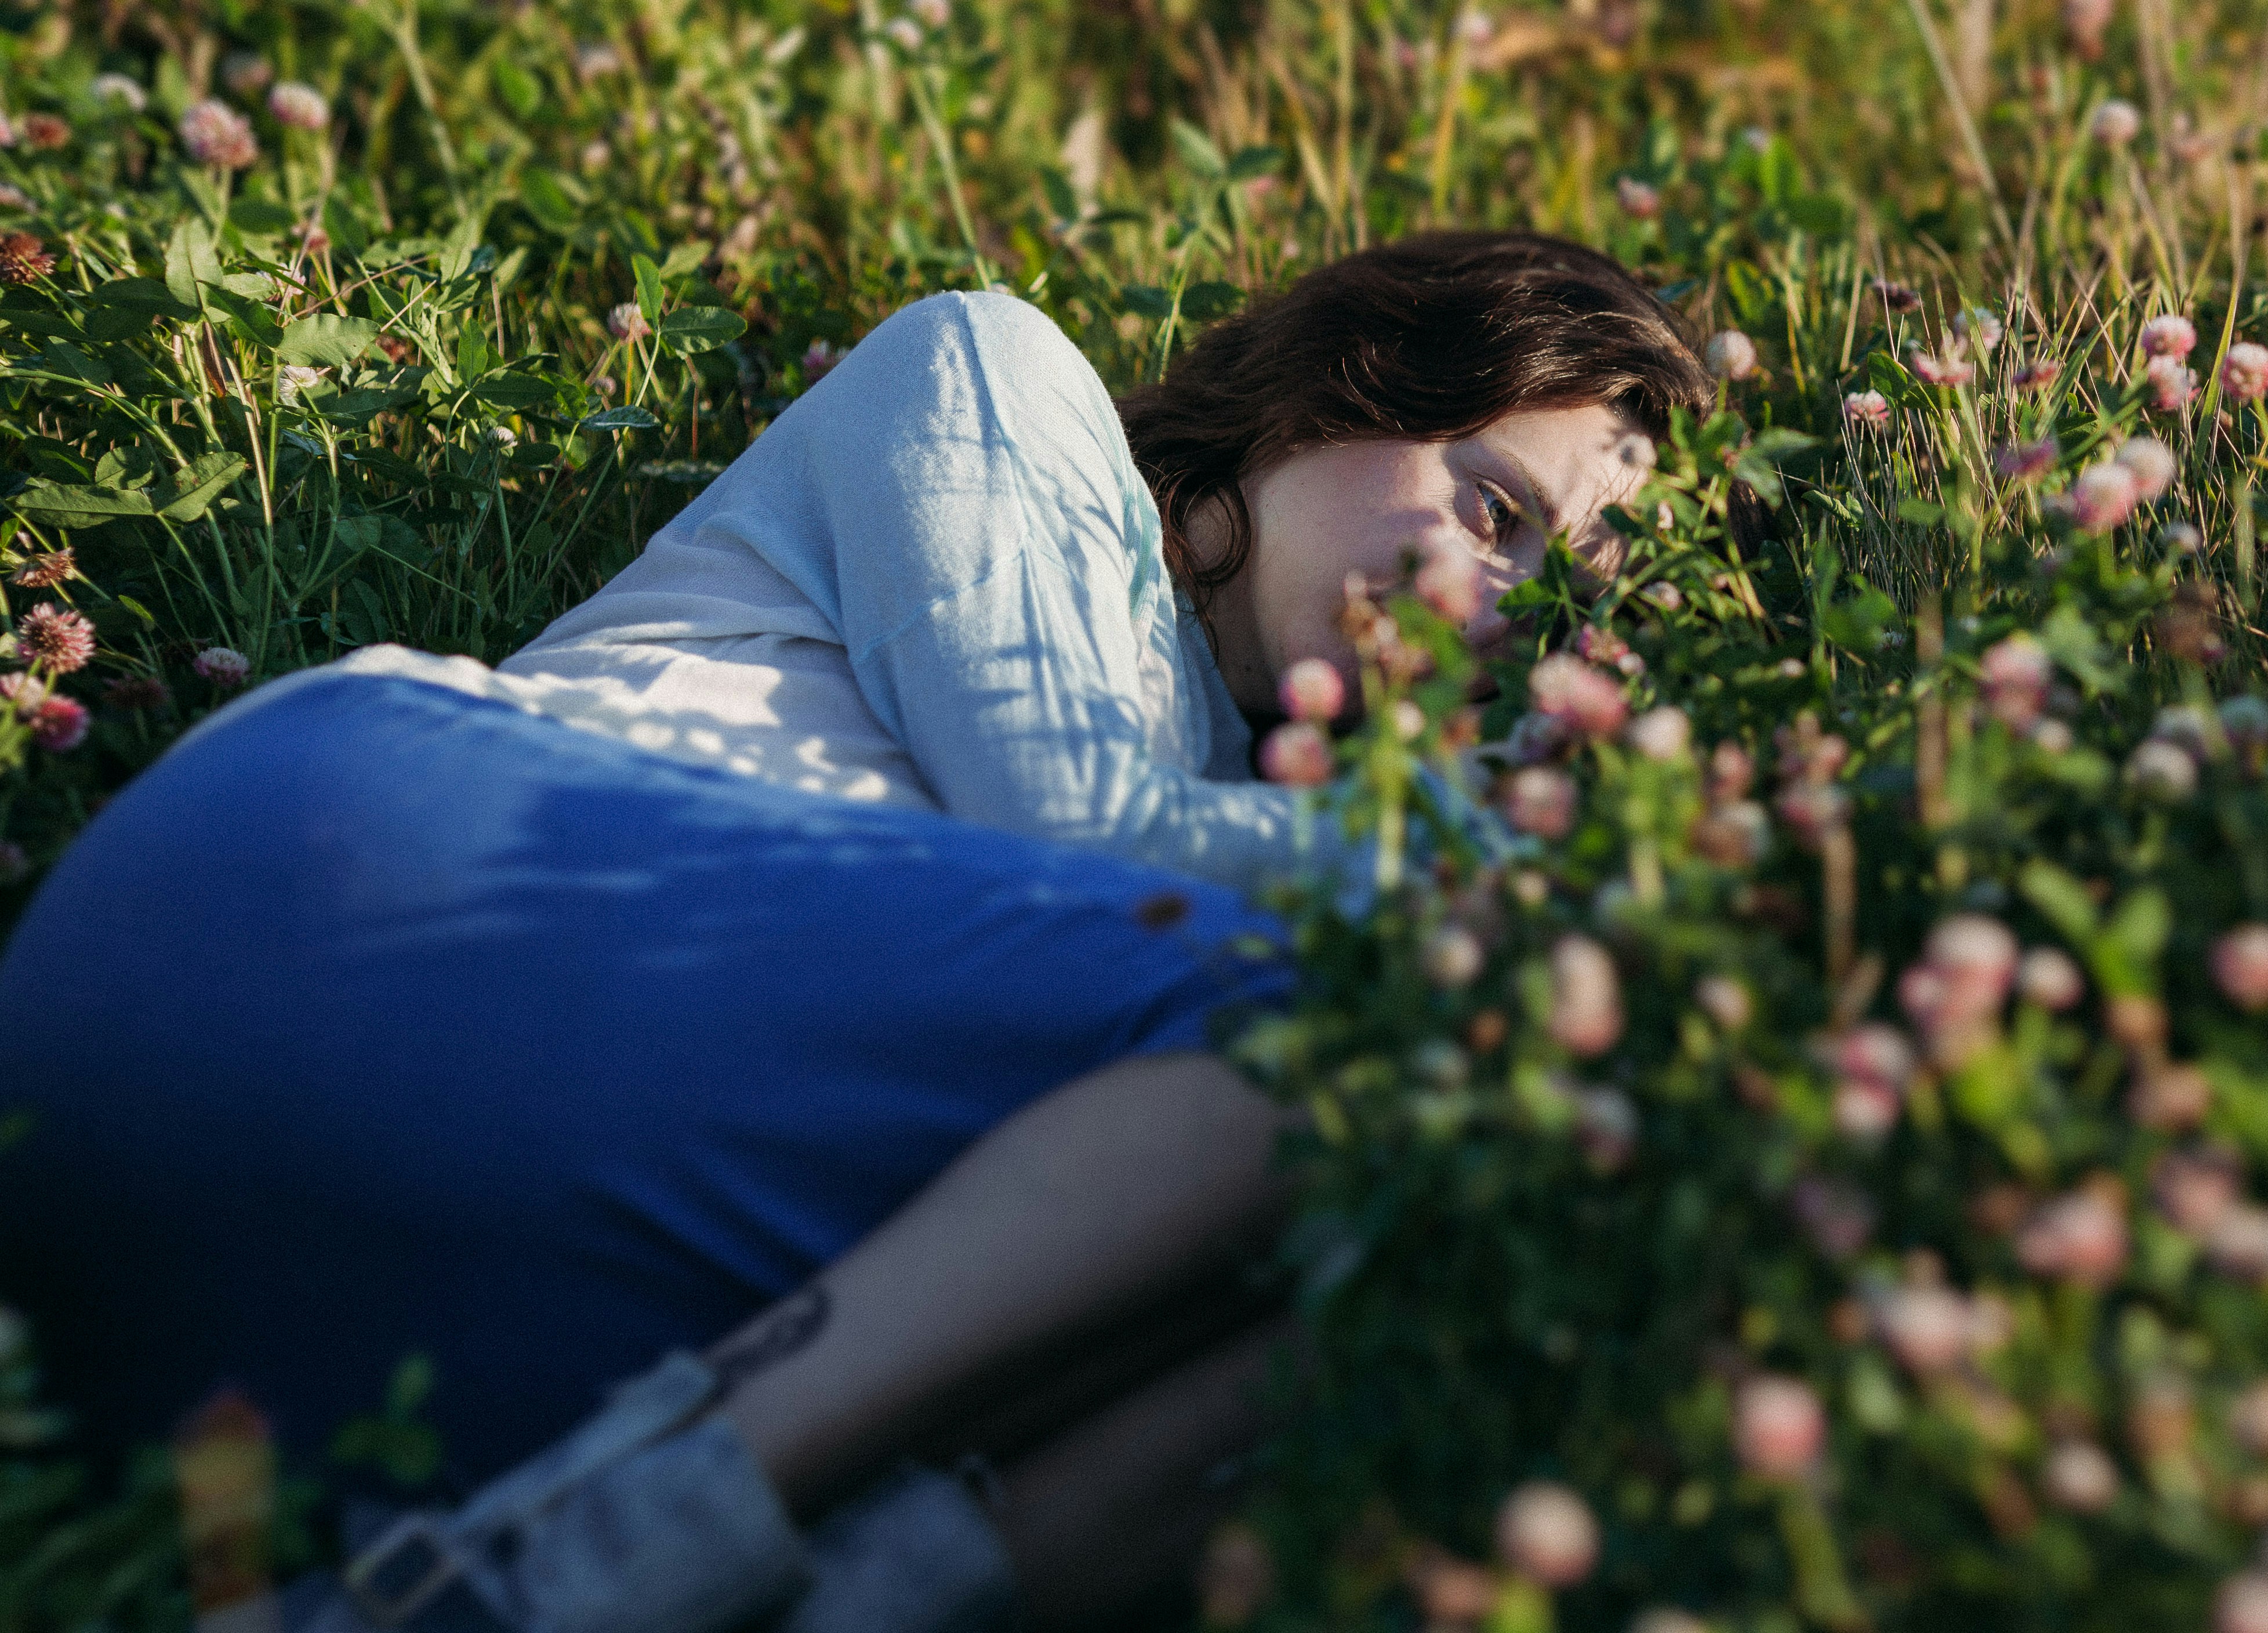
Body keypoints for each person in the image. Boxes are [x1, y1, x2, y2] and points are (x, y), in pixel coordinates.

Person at [0, 233, 1709, 1632]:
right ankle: (587, 1569)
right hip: (338, 896)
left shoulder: (1202, 965)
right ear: (1343, 391)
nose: (1500, 613)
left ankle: (608, 1589)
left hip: (363, 1339)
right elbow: (1084, 823)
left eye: (1562, 600)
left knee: (1447, 1230)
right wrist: (1567, 859)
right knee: (1383, 1019)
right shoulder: (1001, 386)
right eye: (1494, 511)